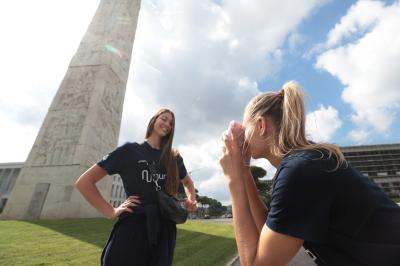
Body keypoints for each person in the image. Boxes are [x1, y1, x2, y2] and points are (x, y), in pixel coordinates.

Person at [219, 81, 400, 266]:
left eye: (246, 128)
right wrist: (243, 170)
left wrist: (233, 181)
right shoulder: (305, 162)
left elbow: (258, 264)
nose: (244, 137)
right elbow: (272, 227)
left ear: (261, 125)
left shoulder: (300, 171)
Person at [75, 108, 197, 266]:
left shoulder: (173, 158)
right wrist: (111, 212)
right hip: (133, 227)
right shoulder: (129, 151)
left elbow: (188, 182)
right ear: (154, 120)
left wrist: (191, 199)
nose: (167, 124)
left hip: (164, 231)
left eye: (171, 123)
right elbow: (84, 182)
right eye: (164, 118)